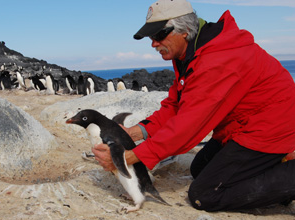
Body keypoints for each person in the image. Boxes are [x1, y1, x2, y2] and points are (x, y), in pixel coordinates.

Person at [92, 0, 295, 212]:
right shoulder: (190, 52)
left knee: (205, 194)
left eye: (159, 35)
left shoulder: (217, 59)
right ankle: (276, 170)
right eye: (151, 36)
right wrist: (133, 133)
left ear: (185, 31)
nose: (153, 43)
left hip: (269, 129)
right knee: (200, 168)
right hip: (240, 126)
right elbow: (175, 105)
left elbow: (188, 127)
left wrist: (125, 159)